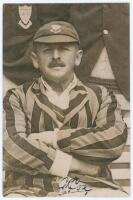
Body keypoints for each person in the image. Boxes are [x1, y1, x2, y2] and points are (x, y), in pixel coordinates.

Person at [3, 21, 128, 197]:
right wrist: (75, 164)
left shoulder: (101, 96)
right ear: (35, 60)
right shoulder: (16, 96)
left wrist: (54, 138)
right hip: (30, 188)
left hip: (88, 186)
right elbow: (10, 147)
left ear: (77, 57)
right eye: (47, 50)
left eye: (63, 49)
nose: (55, 56)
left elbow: (113, 141)